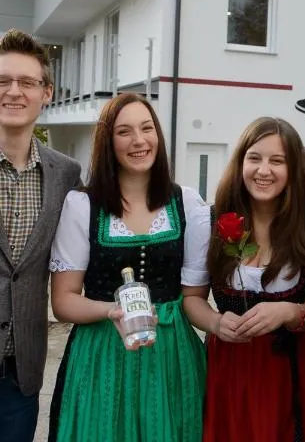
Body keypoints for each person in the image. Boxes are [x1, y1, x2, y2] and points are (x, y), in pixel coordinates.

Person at [48, 93, 206, 442]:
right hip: (102, 353)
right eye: (125, 132)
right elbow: (63, 301)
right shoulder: (83, 206)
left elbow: (195, 296)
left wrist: (225, 325)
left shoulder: (187, 203)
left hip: (171, 355)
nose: (139, 140)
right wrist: (112, 311)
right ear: (108, 141)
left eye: (147, 128)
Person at [182, 116, 305, 442]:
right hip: (231, 367)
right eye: (255, 158)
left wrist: (293, 312)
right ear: (240, 163)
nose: (264, 170)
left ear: (294, 170)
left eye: (277, 161)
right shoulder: (206, 220)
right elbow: (192, 299)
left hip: (296, 368)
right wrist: (216, 323)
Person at [0, 29, 81, 442]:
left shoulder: (66, 174)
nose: (14, 92)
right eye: (3, 81)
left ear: (46, 92)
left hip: (22, 374)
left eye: (27, 82)